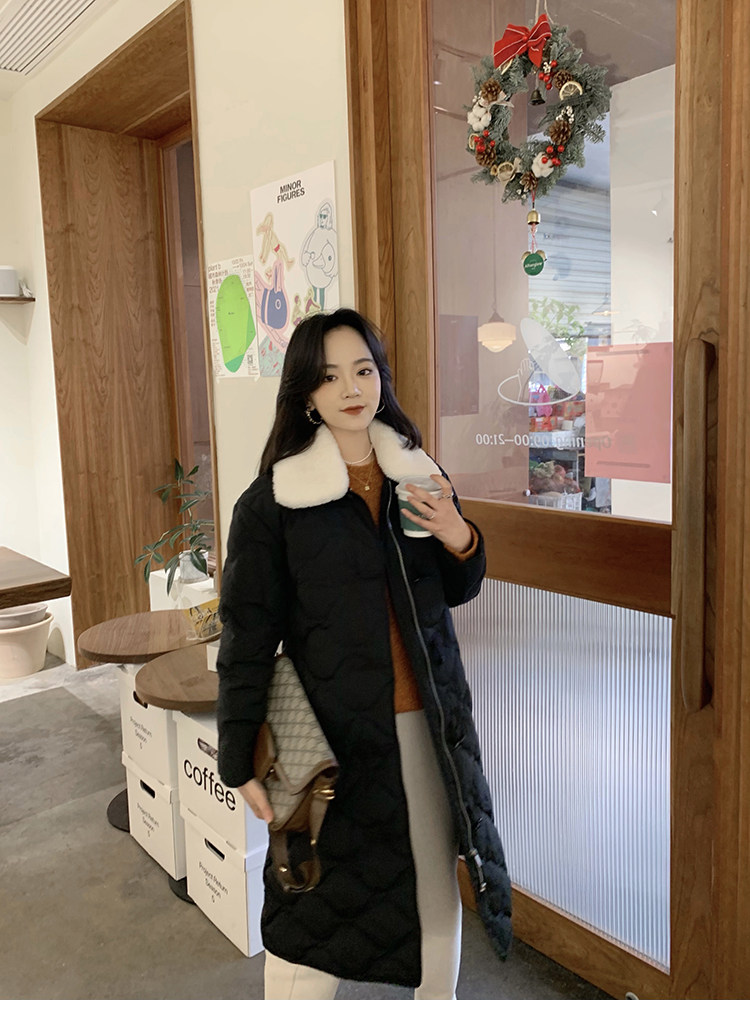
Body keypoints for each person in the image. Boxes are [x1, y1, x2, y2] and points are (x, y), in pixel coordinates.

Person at [216, 308, 512, 1000]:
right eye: (329, 377)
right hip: (333, 742)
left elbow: (455, 590)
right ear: (306, 395)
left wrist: (461, 536)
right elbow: (246, 638)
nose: (352, 388)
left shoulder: (416, 473)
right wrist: (237, 755)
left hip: (425, 725)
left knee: (435, 891)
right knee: (313, 909)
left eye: (364, 370)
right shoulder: (274, 503)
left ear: (381, 377)